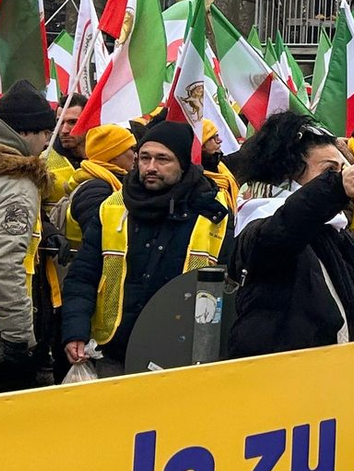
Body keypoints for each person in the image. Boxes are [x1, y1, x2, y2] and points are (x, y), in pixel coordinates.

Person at [227, 112, 354, 357]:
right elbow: (284, 231)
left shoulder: (341, 238)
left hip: (342, 381)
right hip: (287, 383)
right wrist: (335, 188)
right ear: (289, 175)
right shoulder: (262, 229)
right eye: (328, 171)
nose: (338, 177)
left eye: (340, 170)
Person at [61, 120, 233, 376]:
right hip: (114, 351)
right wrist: (75, 331)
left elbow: (228, 288)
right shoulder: (113, 207)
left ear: (184, 163)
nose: (151, 167)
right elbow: (83, 275)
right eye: (145, 158)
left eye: (163, 159)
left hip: (183, 356)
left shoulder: (213, 213)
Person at [0, 88, 52, 391]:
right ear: (27, 132)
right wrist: (18, 337)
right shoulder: (16, 181)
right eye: (46, 133)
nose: (47, 144)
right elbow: (5, 262)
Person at [59, 124, 138, 250]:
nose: (136, 156)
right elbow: (96, 242)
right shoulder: (96, 190)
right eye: (131, 149)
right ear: (114, 154)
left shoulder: (104, 180)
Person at [45, 94, 89, 204]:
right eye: (60, 122)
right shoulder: (43, 162)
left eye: (73, 122)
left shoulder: (106, 156)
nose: (64, 130)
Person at [200, 121, 240, 209]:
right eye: (213, 137)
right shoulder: (197, 180)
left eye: (217, 135)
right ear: (202, 144)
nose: (219, 140)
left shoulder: (221, 166)